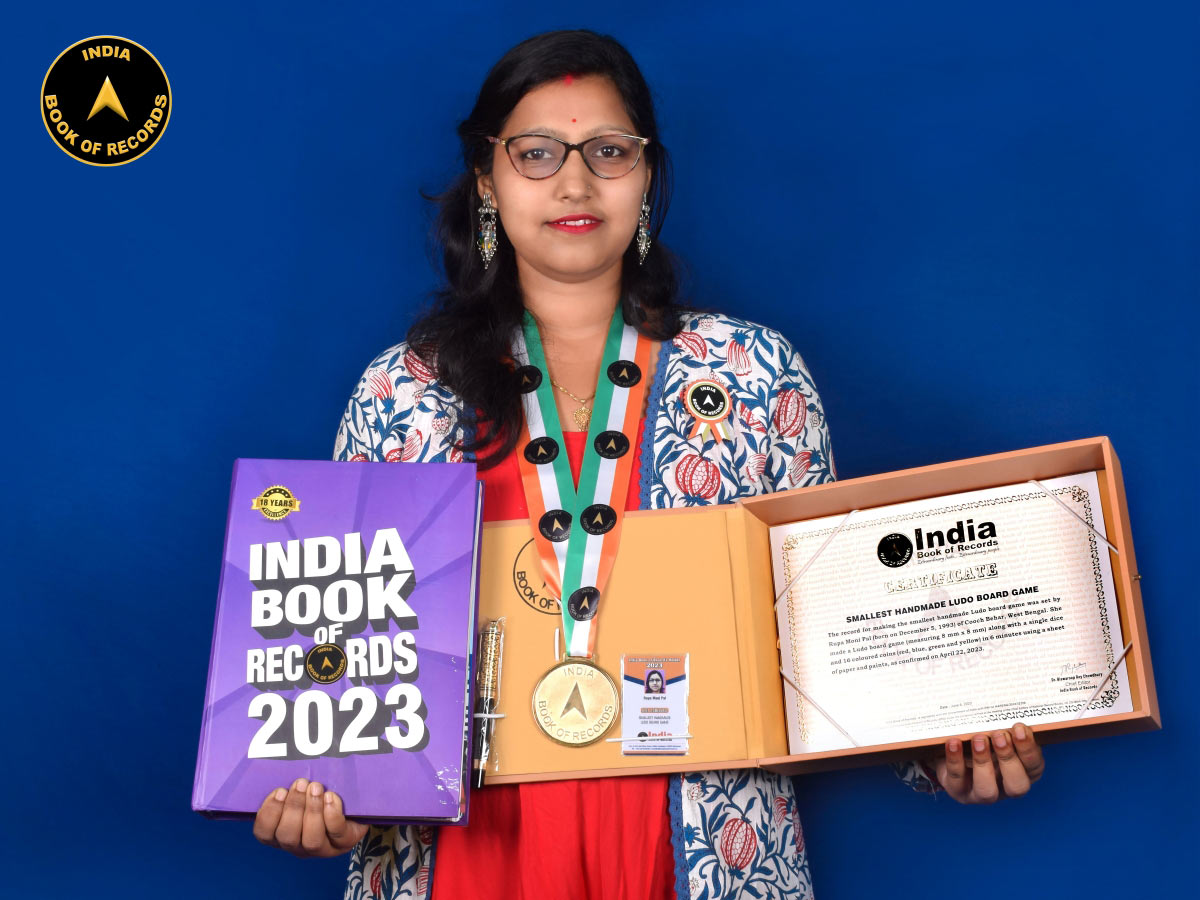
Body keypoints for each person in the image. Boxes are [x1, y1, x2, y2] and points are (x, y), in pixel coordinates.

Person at [252, 29, 1046, 900]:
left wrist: (940, 750)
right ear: (488, 178)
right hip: (468, 857)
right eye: (537, 152)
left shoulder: (754, 375)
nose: (575, 182)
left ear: (647, 175)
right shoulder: (401, 391)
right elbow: (343, 654)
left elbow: (833, 632)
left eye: (609, 151)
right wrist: (333, 795)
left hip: (700, 846)